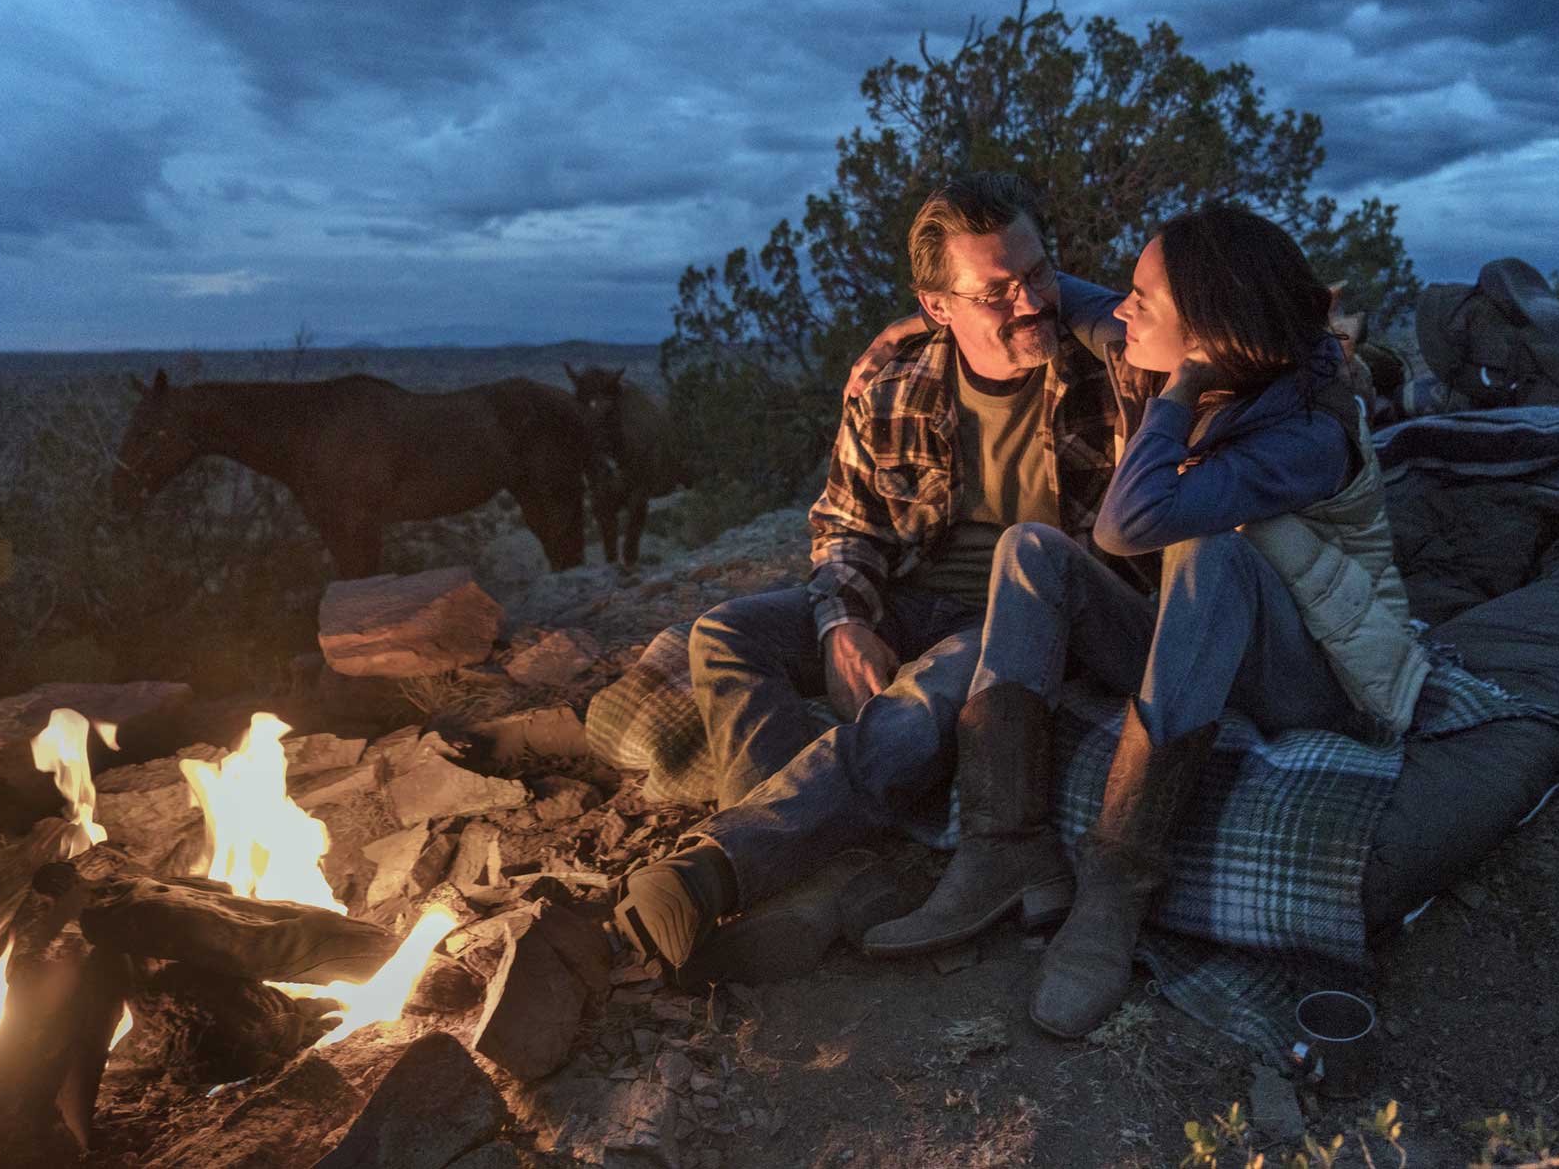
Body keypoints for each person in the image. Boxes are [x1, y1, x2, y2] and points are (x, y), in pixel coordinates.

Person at [864, 201, 1431, 1037]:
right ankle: (1004, 846)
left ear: (1207, 337)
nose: (1118, 311)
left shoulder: (1308, 434)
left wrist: (1178, 391)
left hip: (1318, 675)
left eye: (1142, 300)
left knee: (1212, 552)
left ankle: (1117, 884)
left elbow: (1127, 523)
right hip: (1208, 646)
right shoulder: (1187, 343)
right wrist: (914, 327)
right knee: (1029, 550)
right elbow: (1066, 298)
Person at [613, 172, 1151, 978]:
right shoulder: (896, 381)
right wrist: (843, 621)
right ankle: (816, 883)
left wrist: (1067, 298)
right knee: (725, 634)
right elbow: (844, 522)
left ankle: (720, 867)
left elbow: (1212, 344)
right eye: (996, 292)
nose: (1030, 303)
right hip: (907, 595)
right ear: (938, 304)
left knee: (927, 692)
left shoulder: (1110, 373)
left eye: (1039, 274)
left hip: (1023, 619)